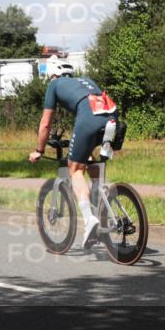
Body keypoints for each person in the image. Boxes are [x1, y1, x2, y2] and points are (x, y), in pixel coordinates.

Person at [29, 58, 119, 245]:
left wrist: (39, 150)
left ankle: (89, 220)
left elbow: (45, 124)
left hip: (89, 119)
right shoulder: (85, 81)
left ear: (53, 75)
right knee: (91, 162)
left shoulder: (54, 85)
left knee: (75, 170)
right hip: (112, 118)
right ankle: (102, 206)